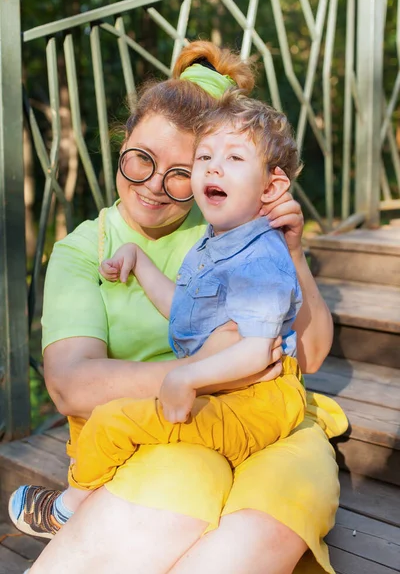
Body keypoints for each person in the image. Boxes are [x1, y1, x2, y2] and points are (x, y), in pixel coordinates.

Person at [13, 41, 347, 574]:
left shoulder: (233, 226)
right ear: (123, 143)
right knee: (170, 493)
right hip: (163, 429)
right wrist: (205, 372)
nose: (152, 186)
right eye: (141, 159)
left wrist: (293, 252)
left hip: (272, 420)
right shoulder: (88, 246)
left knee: (265, 524)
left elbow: (305, 358)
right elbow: (69, 385)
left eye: (179, 171)